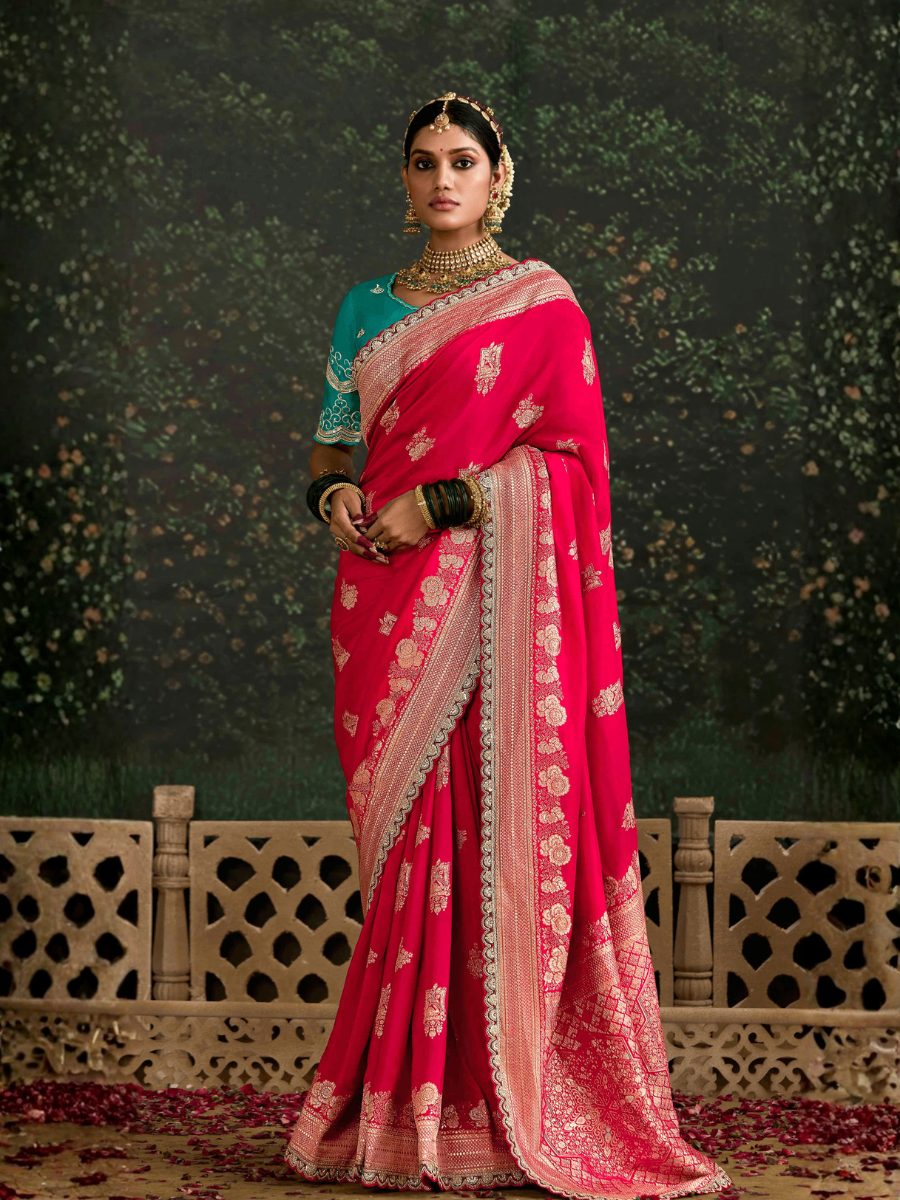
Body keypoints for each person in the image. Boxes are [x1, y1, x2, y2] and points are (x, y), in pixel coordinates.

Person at [287, 92, 731, 1199]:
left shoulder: (542, 306)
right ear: (403, 179)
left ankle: (495, 1104)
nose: (442, 179)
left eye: (463, 161)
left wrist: (441, 503)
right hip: (384, 600)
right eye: (424, 162)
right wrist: (336, 498)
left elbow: (574, 470)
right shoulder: (364, 307)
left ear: (498, 177)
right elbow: (332, 442)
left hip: (492, 601)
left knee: (487, 832)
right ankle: (396, 1110)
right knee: (406, 849)